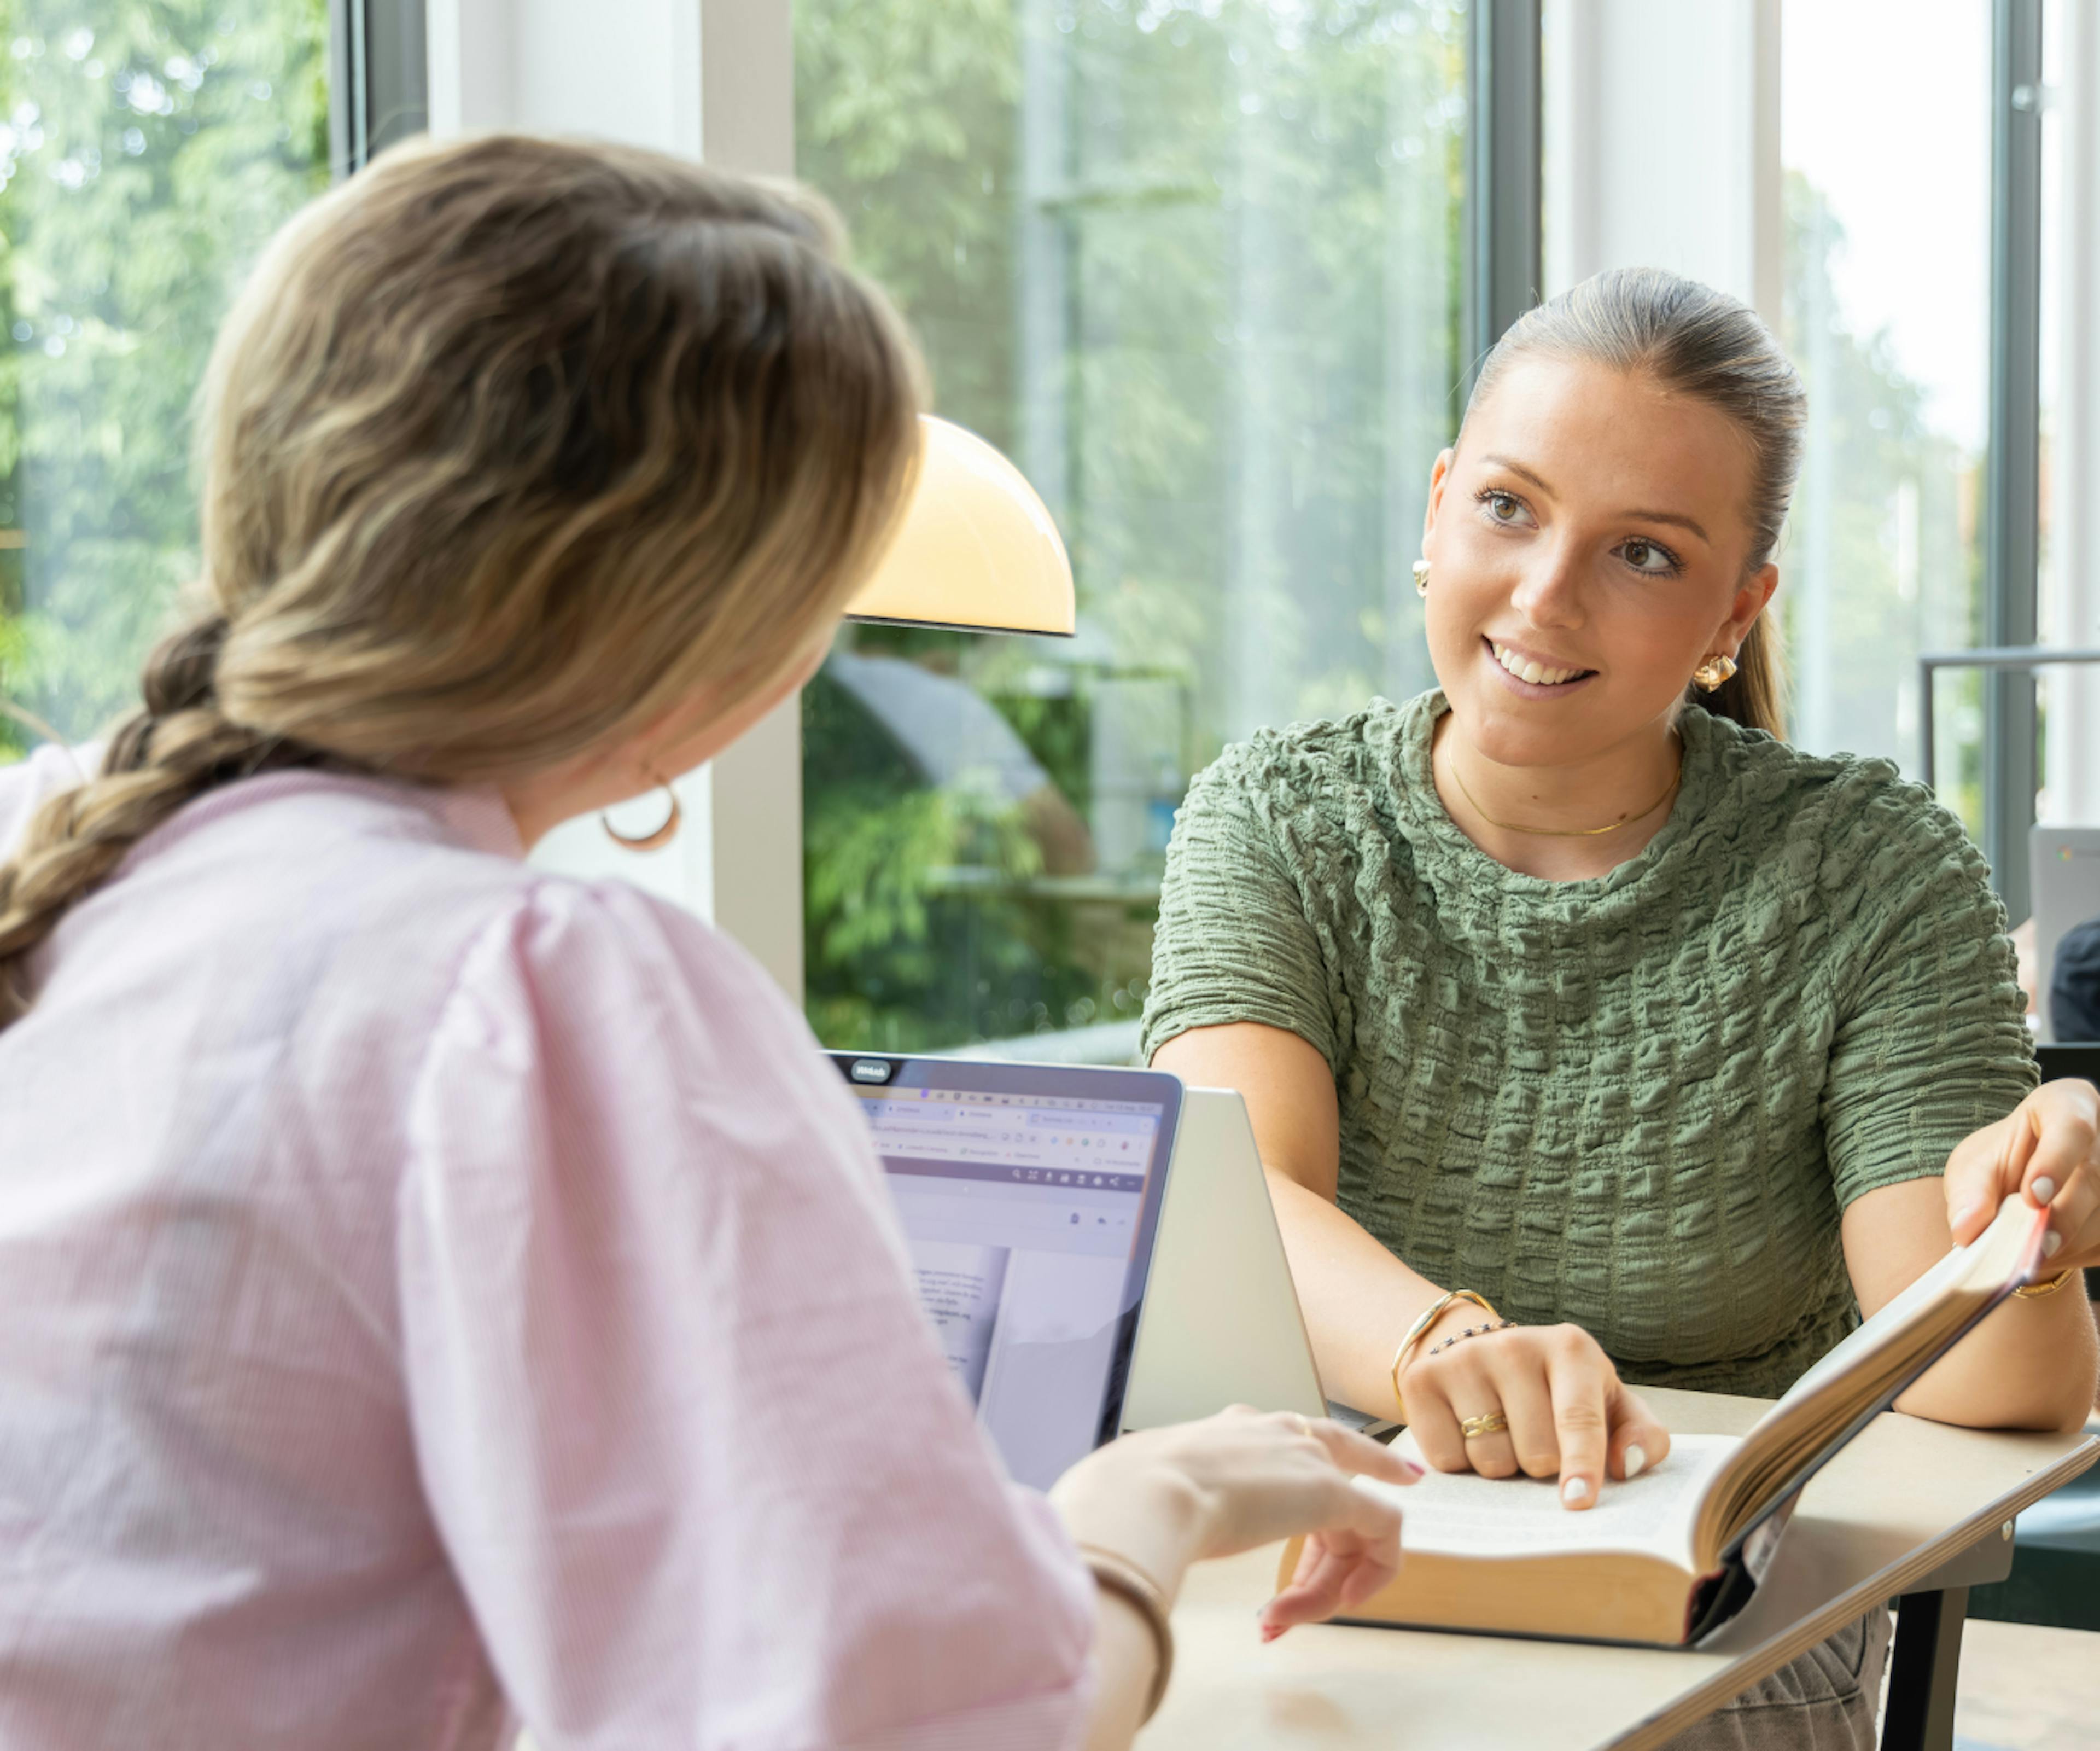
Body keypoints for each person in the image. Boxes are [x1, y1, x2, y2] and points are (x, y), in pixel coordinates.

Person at [0, 135, 1421, 1750]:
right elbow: (897, 1727)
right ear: (711, 665)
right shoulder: (529, 996)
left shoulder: (64, 854)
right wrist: (1151, 1502)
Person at [1144, 268, 2100, 1749]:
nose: (1543, 595)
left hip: (1719, 1608)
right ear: (1437, 509)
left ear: (1736, 609)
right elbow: (1243, 1206)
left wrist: (2026, 1240)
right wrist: (1446, 1348)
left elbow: (1988, 1385)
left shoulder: (1868, 865)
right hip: (1342, 1565)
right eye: (1510, 509)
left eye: (1643, 553)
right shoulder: (1273, 818)